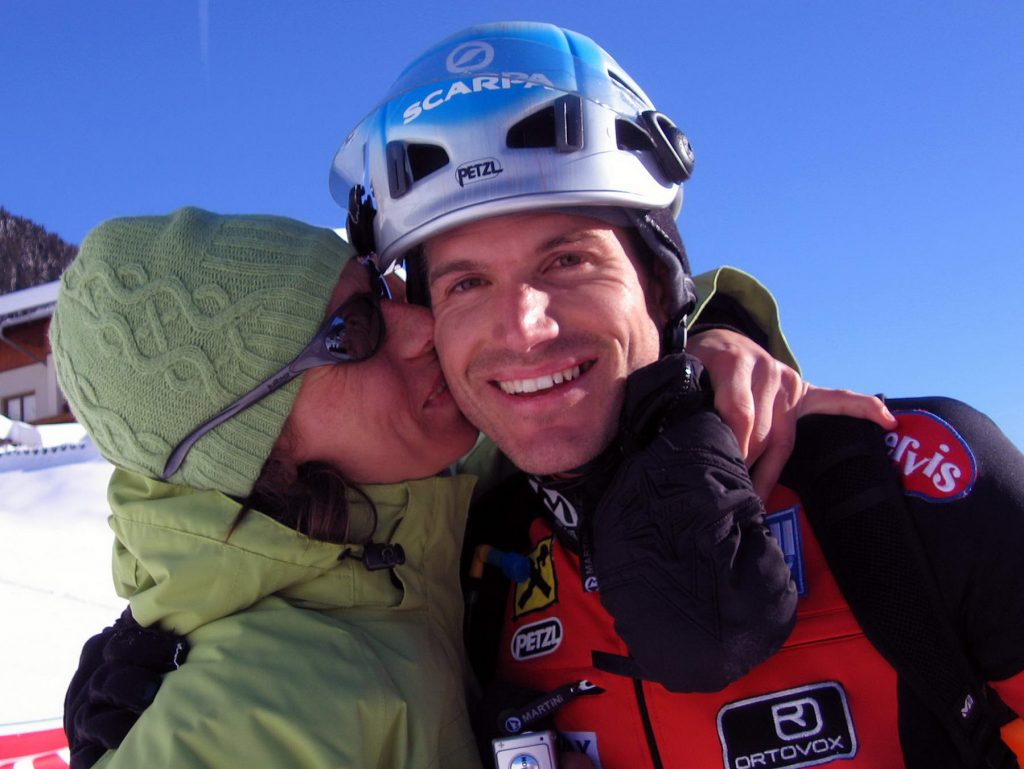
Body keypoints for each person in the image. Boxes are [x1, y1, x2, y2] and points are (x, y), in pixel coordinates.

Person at [324, 21, 1024, 768]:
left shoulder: (905, 486)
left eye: (567, 260)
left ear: (660, 283)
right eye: (467, 282)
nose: (523, 328)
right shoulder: (464, 551)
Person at [50, 207, 485, 768]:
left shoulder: (439, 521)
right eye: (353, 330)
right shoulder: (256, 715)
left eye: (378, 285)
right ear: (260, 451)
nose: (422, 324)